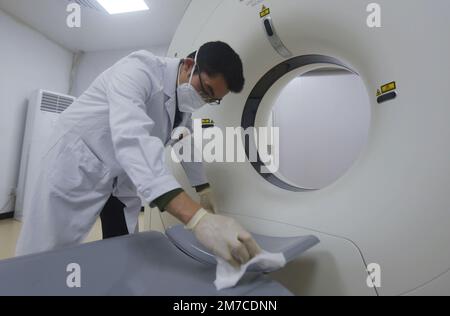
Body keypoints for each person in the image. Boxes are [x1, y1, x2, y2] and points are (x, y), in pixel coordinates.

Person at [16, 41, 261, 268]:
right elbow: (133, 139)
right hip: (77, 162)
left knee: (123, 243)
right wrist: (197, 219)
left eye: (212, 99)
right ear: (189, 65)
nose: (203, 100)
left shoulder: (182, 104)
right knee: (47, 248)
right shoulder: (137, 71)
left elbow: (184, 142)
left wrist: (203, 188)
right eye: (205, 89)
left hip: (118, 176)